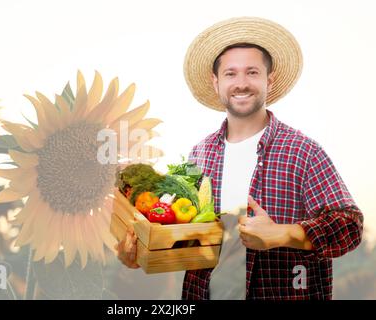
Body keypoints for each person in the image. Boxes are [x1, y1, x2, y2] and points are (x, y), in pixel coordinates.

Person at [115, 17, 364, 300]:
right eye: (231, 74)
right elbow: (189, 240)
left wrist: (285, 234)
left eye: (252, 72)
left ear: (269, 80)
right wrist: (140, 254)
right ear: (216, 81)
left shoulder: (302, 152)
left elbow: (350, 225)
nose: (241, 83)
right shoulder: (200, 154)